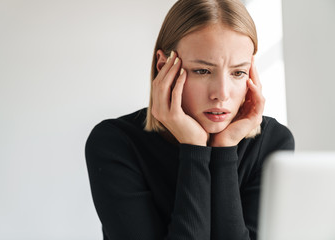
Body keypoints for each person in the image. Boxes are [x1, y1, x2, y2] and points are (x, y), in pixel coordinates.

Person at [85, 0, 295, 239]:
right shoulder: (115, 143)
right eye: (203, 71)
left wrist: (224, 149)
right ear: (165, 67)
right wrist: (194, 148)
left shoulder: (273, 142)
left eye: (238, 72)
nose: (222, 94)